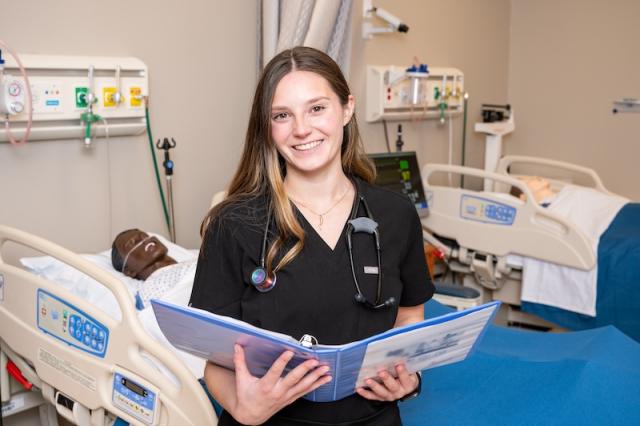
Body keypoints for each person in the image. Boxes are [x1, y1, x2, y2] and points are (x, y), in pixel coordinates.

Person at [189, 46, 434, 425]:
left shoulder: (396, 215)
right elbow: (215, 360)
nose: (301, 129)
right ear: (267, 128)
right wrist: (242, 407)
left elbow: (409, 314)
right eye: (282, 115)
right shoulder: (234, 224)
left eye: (317, 108)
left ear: (346, 109)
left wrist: (408, 378)